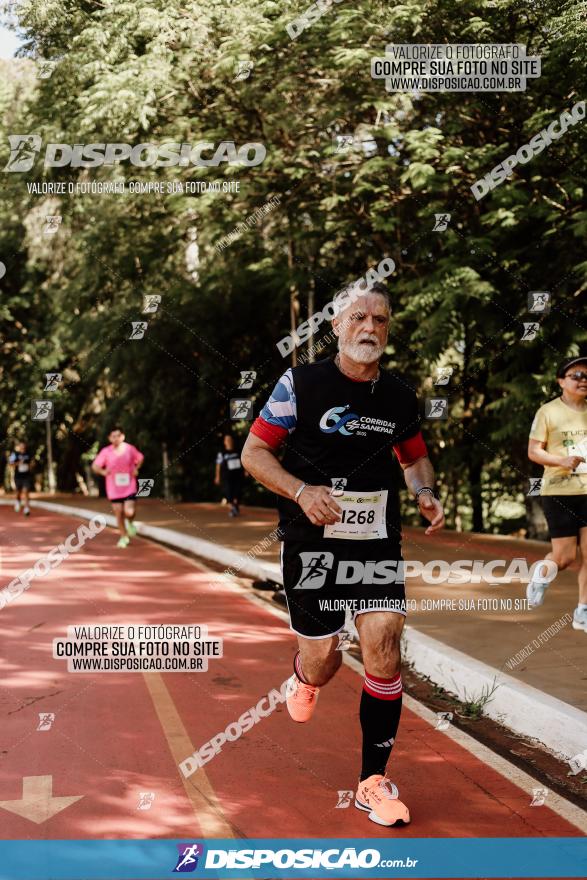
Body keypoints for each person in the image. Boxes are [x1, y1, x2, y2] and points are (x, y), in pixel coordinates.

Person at [241, 281, 445, 827]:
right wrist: (301, 492)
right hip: (311, 543)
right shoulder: (300, 385)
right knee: (324, 660)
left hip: (376, 541)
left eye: (380, 320)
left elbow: (414, 459)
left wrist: (424, 492)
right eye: (359, 318)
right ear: (336, 326)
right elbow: (254, 451)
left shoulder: (400, 397)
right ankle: (305, 677)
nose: (370, 329)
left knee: (383, 640)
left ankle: (371, 782)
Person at [527, 356, 587, 630]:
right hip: (559, 491)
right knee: (565, 558)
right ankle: (541, 575)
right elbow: (533, 451)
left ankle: (582, 610)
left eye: (586, 376)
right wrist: (561, 461)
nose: (583, 380)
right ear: (561, 381)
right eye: (576, 375)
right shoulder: (547, 412)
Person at [91, 426, 144, 548]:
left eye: (118, 436)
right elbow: (95, 466)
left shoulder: (130, 449)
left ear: (122, 436)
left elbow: (140, 458)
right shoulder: (106, 451)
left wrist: (136, 468)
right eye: (113, 436)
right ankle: (123, 536)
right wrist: (104, 472)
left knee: (129, 512)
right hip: (114, 488)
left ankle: (130, 522)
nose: (116, 439)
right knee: (119, 512)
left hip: (129, 485)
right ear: (110, 438)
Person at [214, 434, 244, 517]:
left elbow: (242, 461)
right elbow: (218, 465)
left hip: (238, 475)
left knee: (237, 492)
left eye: (230, 439)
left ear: (232, 441)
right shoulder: (222, 453)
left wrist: (246, 471)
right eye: (227, 440)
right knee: (229, 492)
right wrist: (217, 476)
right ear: (224, 442)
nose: (228, 441)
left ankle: (235, 506)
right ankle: (232, 508)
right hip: (227, 476)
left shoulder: (238, 451)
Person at [9, 441, 34, 516]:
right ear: (19, 447)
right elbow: (11, 464)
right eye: (21, 446)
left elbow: (32, 463)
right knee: (18, 492)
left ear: (25, 446)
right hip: (18, 476)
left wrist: (31, 465)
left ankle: (26, 508)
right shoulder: (15, 454)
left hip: (26, 476)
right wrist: (18, 463)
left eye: (24, 446)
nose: (22, 447)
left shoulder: (29, 454)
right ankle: (18, 501)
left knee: (26, 491)